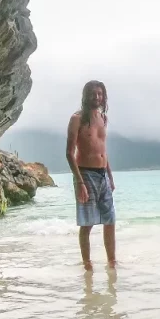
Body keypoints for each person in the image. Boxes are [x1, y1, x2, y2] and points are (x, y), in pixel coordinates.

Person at [66, 80, 116, 270]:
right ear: (86, 96)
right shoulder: (77, 118)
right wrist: (80, 182)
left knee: (110, 221)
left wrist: (110, 177)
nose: (97, 97)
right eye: (93, 93)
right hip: (85, 175)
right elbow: (69, 153)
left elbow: (104, 150)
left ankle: (112, 262)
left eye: (100, 93)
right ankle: (87, 264)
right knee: (87, 224)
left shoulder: (103, 118)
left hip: (103, 174)